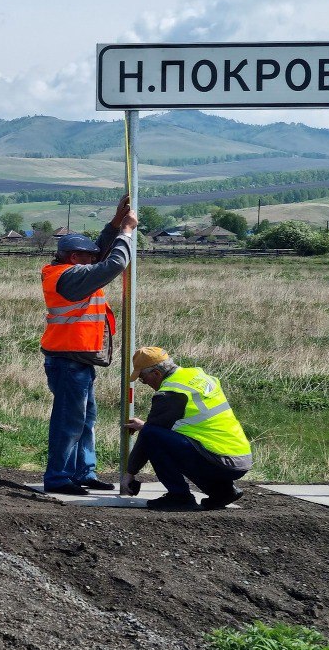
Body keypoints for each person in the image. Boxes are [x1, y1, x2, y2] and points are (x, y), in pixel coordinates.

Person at [40, 195, 138, 494]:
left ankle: (84, 471)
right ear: (74, 258)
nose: (93, 259)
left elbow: (101, 255)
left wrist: (113, 224)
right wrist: (127, 233)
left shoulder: (71, 270)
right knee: (70, 421)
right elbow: (114, 263)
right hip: (68, 360)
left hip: (78, 359)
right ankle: (59, 477)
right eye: (88, 257)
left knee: (85, 419)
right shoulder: (70, 278)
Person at [123, 347, 252, 511]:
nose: (145, 383)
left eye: (143, 378)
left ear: (156, 373)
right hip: (239, 458)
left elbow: (150, 434)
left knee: (151, 435)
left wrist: (130, 474)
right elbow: (193, 422)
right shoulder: (197, 376)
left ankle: (179, 496)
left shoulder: (170, 393)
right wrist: (145, 426)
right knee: (178, 444)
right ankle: (223, 492)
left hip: (219, 460)